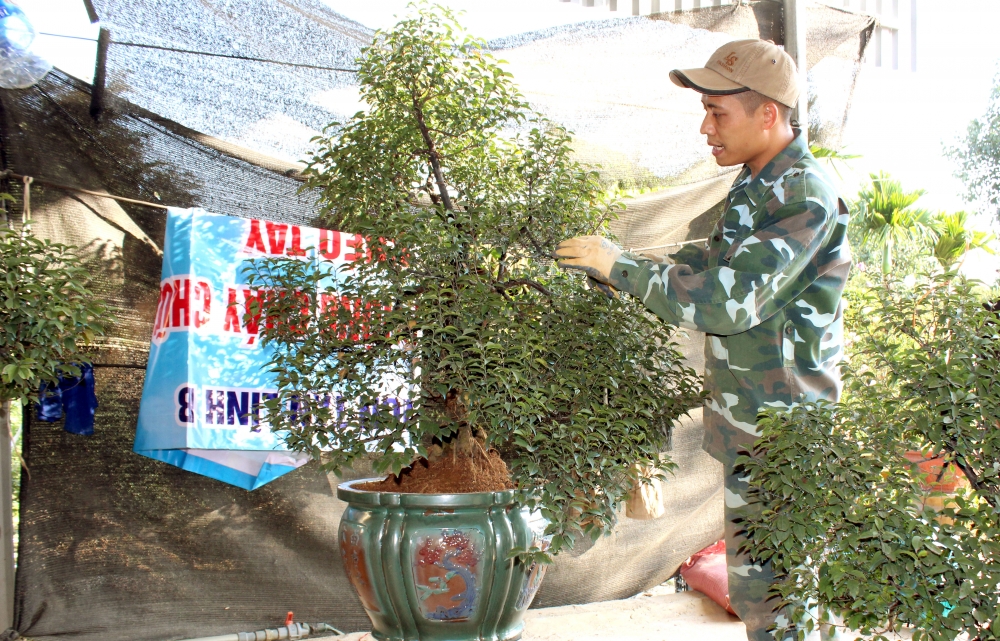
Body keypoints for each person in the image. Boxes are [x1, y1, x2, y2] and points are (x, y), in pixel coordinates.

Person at [555, 39, 852, 641]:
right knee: (759, 589)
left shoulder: (804, 194)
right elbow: (713, 259)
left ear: (767, 113)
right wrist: (624, 261)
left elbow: (726, 300)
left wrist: (623, 269)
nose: (704, 127)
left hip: (785, 434)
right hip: (752, 421)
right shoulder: (757, 184)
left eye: (718, 111)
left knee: (783, 599)